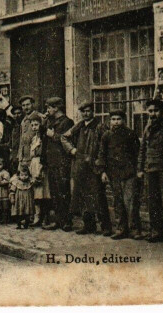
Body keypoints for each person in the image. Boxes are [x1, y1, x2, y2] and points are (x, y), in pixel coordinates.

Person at [61, 102, 112, 236]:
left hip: (94, 166)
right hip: (80, 167)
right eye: (83, 112)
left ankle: (106, 226)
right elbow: (64, 137)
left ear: (93, 112)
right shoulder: (79, 126)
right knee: (83, 197)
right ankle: (89, 225)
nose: (85, 114)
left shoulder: (100, 126)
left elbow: (106, 144)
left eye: (88, 111)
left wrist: (100, 162)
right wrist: (72, 150)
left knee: (99, 196)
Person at [98, 110, 142, 240]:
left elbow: (137, 153)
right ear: (109, 121)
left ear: (123, 120)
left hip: (129, 173)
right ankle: (121, 229)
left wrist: (136, 170)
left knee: (131, 202)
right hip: (113, 173)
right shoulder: (106, 136)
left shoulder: (130, 134)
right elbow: (102, 154)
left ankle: (135, 230)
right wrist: (103, 171)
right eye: (113, 119)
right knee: (118, 202)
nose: (115, 122)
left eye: (118, 119)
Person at [137, 98, 163, 244]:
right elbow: (142, 150)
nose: (153, 114)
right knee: (152, 202)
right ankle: (156, 232)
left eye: (156, 111)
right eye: (150, 111)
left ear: (162, 111)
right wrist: (140, 169)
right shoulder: (148, 128)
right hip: (149, 170)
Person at [42, 97, 75, 231]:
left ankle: (67, 221)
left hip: (62, 162)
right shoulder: (50, 121)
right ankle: (58, 220)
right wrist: (44, 122)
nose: (47, 110)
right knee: (55, 192)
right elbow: (42, 134)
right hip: (52, 161)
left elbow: (66, 140)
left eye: (49, 107)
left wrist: (53, 135)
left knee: (63, 191)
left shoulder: (67, 122)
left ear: (56, 108)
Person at [27, 114, 50, 227]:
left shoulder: (43, 138)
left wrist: (41, 168)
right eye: (32, 125)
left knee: (43, 192)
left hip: (41, 165)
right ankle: (37, 216)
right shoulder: (33, 139)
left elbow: (43, 153)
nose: (34, 127)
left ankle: (46, 217)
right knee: (35, 192)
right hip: (34, 164)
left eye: (36, 124)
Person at [17, 96, 44, 174]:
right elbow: (21, 139)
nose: (26, 107)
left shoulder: (39, 117)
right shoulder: (23, 121)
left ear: (32, 104)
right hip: (24, 157)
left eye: (28, 104)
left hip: (34, 156)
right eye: (23, 105)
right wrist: (20, 156)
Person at [8, 105, 23, 175]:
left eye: (19, 113)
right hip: (14, 154)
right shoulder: (13, 126)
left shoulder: (24, 124)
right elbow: (11, 142)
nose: (17, 115)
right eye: (15, 114)